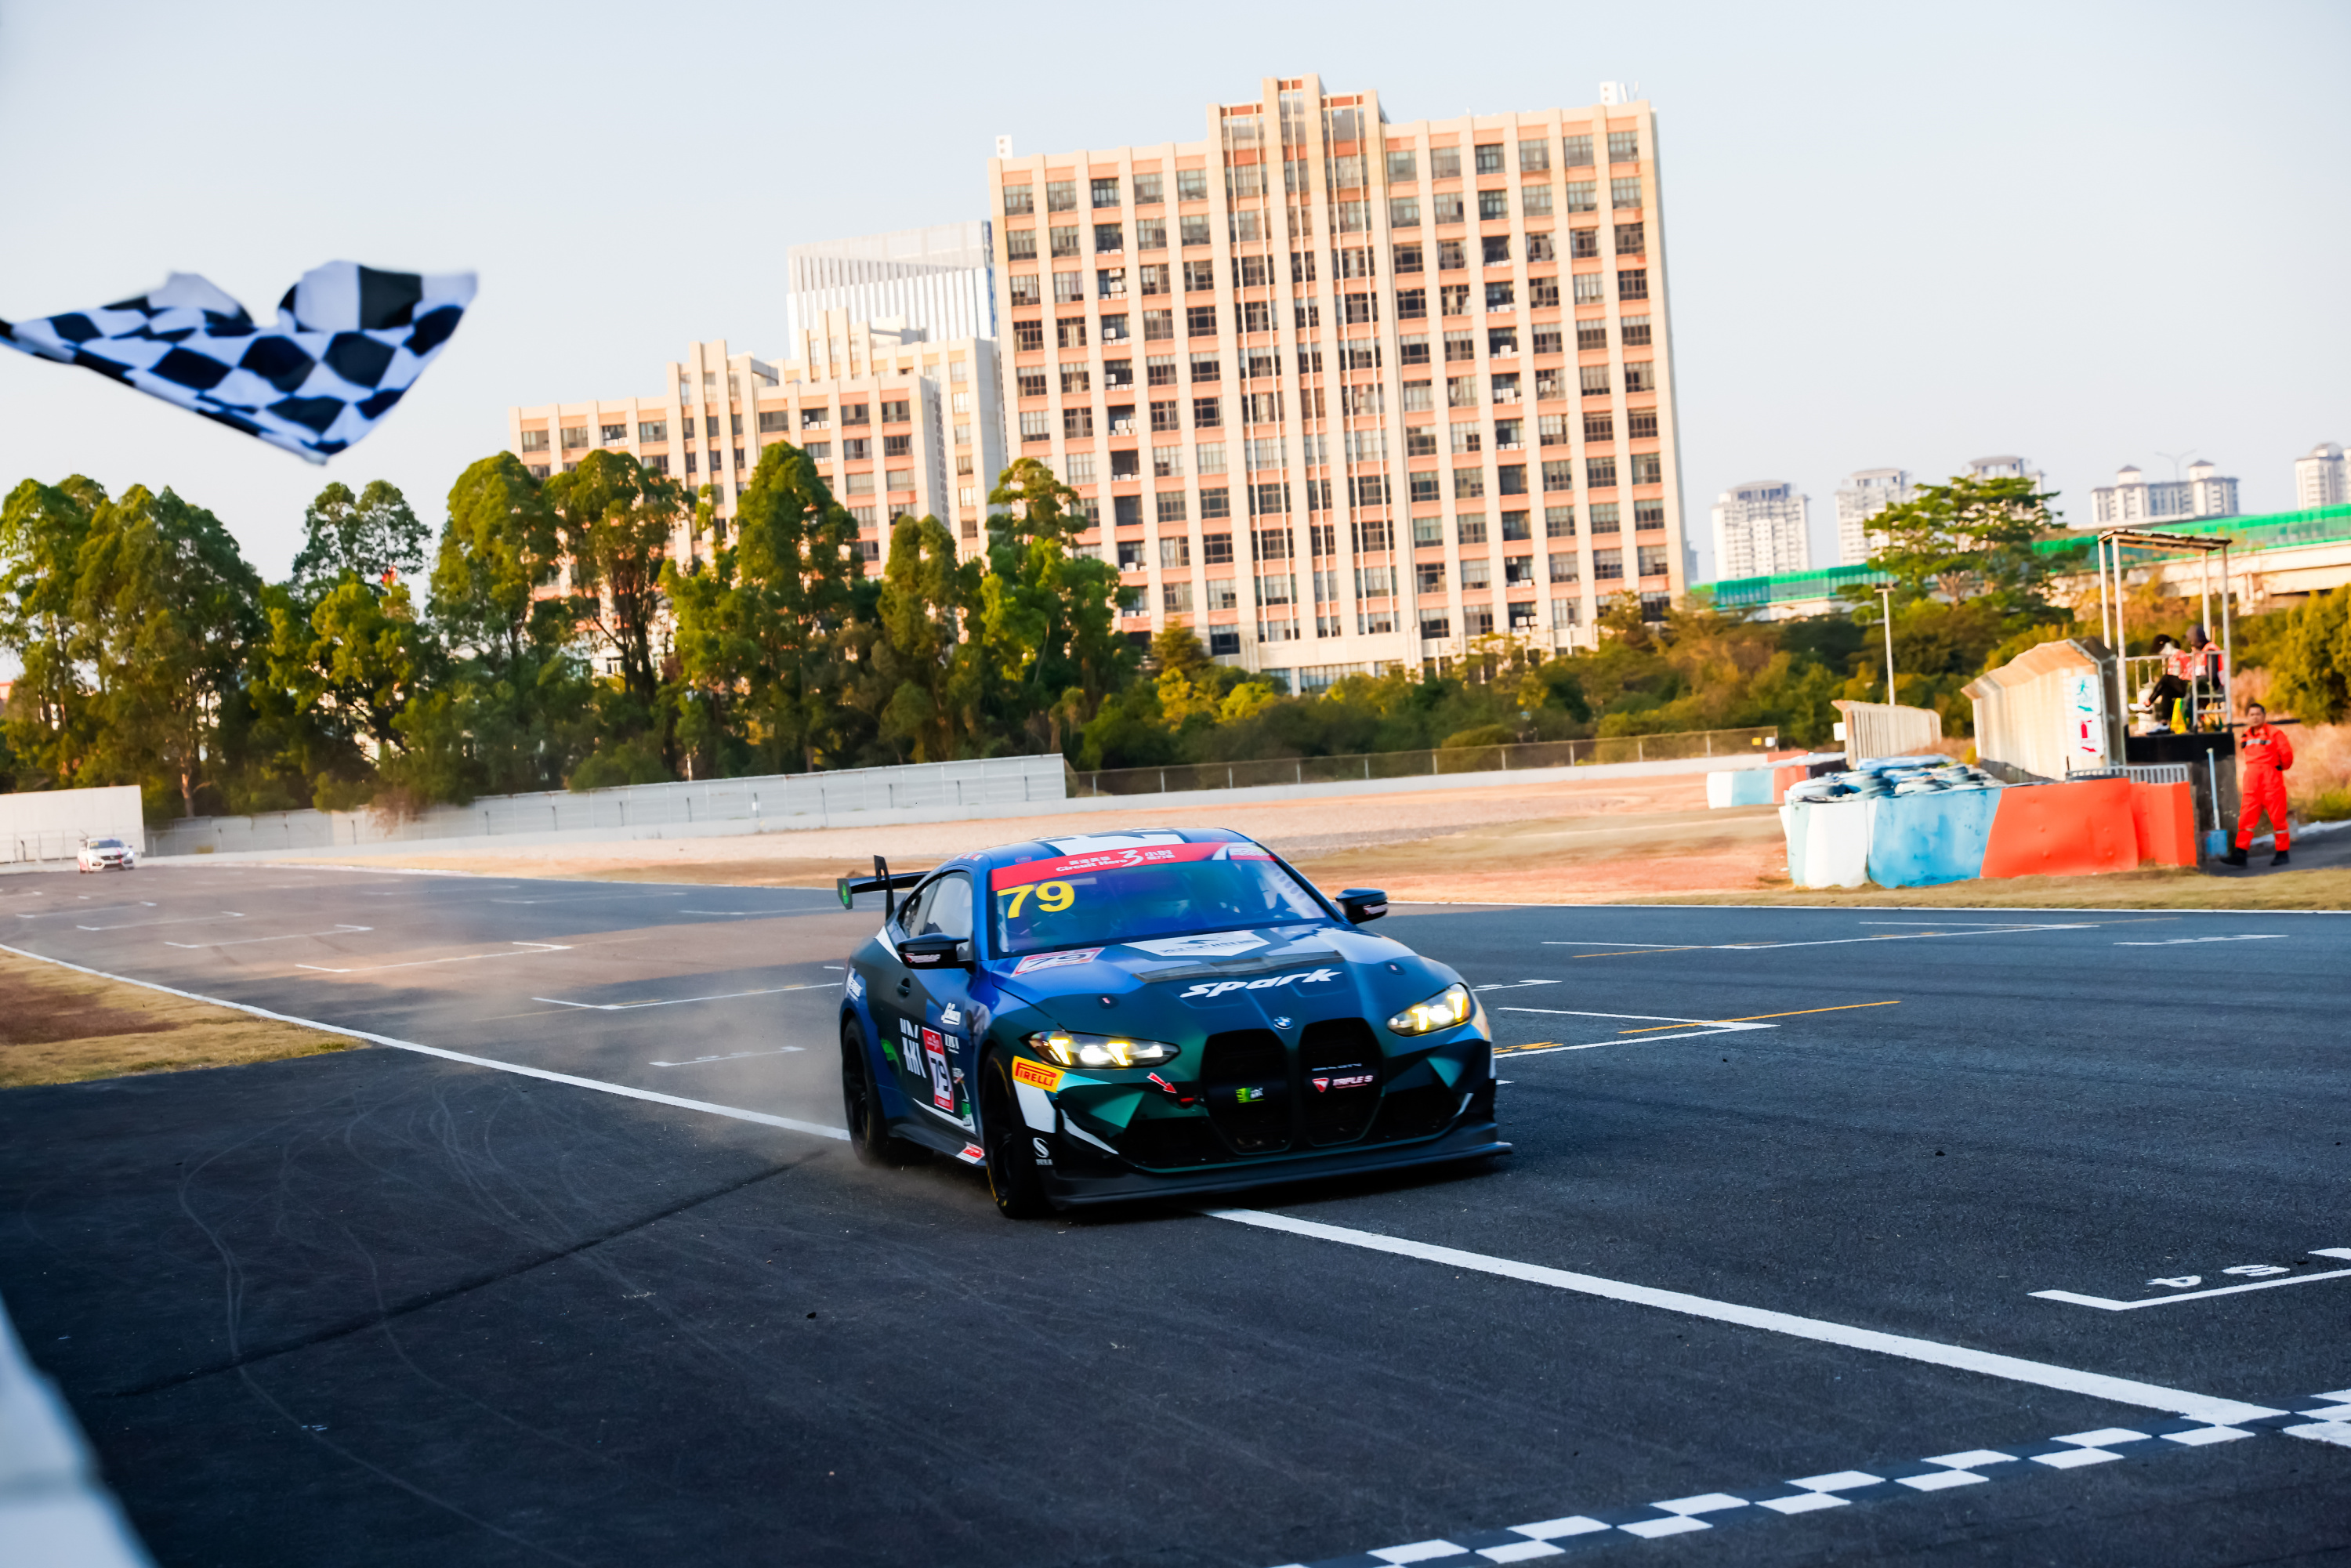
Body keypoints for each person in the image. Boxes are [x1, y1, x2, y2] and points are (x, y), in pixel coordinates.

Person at [2223, 701, 2294, 867]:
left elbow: (2287, 755)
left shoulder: (2274, 733)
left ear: (2264, 716)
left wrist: (2278, 768)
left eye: (2258, 714)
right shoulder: (2246, 735)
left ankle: (2282, 852)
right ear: (2248, 717)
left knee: (2278, 818)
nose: (2255, 717)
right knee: (2246, 819)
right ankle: (2241, 853)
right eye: (2252, 715)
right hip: (2252, 783)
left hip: (2271, 781)